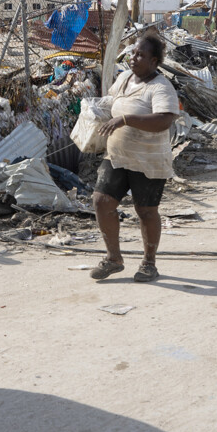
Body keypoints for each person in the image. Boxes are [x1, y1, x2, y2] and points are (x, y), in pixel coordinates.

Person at [90, 31, 180, 282]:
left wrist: (126, 119)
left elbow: (163, 120)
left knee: (145, 211)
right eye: (133, 53)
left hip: (148, 161)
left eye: (140, 54)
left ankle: (149, 263)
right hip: (117, 156)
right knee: (101, 201)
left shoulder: (161, 87)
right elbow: (112, 102)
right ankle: (113, 259)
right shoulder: (125, 78)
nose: (133, 58)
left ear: (154, 61)